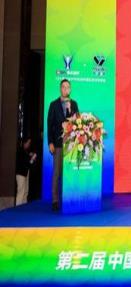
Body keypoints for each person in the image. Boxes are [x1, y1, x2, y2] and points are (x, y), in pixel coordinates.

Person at [47, 79, 79, 211]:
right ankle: (55, 200)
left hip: (71, 144)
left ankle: (68, 197)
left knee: (69, 172)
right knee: (57, 173)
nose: (66, 89)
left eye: (68, 87)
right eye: (64, 87)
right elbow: (50, 124)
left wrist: (71, 114)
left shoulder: (74, 104)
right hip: (58, 144)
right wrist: (50, 142)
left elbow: (78, 122)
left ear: (70, 89)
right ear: (60, 89)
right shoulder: (53, 104)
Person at [15, 137, 37, 205]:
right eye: (28, 142)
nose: (29, 144)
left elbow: (28, 162)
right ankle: (18, 208)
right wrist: (32, 159)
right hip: (21, 174)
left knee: (25, 192)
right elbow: (27, 163)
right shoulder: (21, 151)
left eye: (30, 143)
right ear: (24, 143)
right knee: (21, 192)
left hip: (25, 173)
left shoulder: (25, 151)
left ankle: (23, 206)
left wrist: (30, 156)